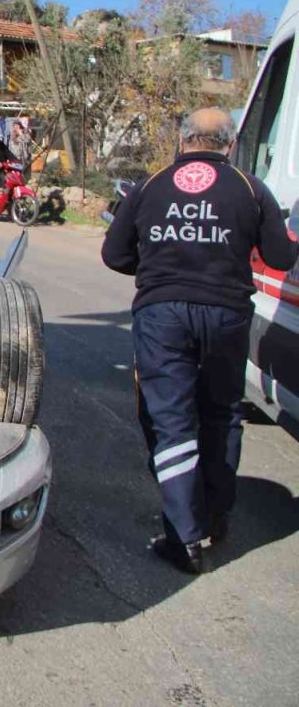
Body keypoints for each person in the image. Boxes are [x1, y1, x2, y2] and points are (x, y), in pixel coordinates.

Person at [101, 107, 299, 574]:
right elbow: (279, 254)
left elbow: (114, 254)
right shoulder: (252, 188)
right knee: (222, 413)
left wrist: (157, 273)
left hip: (162, 315)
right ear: (230, 145)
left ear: (183, 141)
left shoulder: (151, 186)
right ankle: (216, 516)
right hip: (228, 315)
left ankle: (184, 539)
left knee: (170, 420)